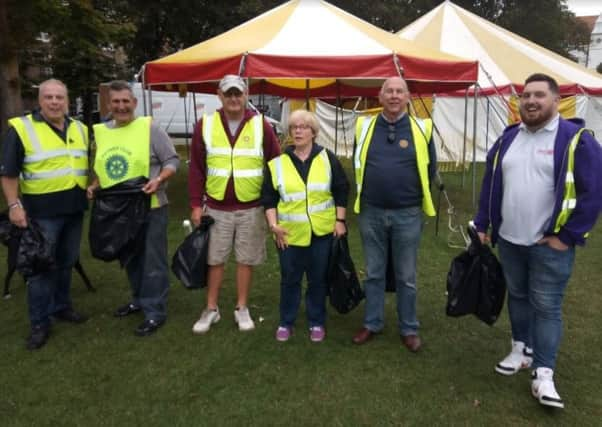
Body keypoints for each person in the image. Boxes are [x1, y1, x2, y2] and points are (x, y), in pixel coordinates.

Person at [473, 73, 601, 409]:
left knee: (546, 306)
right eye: (526, 95)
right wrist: (484, 223)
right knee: (517, 296)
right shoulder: (508, 138)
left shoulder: (577, 139)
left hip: (549, 245)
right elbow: (491, 183)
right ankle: (521, 349)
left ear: (557, 101)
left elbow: (593, 193)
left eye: (539, 95)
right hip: (510, 240)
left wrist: (568, 236)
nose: (530, 101)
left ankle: (544, 373)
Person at [0, 79, 89, 350]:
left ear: (67, 100)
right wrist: (14, 206)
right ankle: (39, 322)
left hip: (74, 209)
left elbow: (81, 164)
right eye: (48, 97)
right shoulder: (21, 129)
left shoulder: (80, 128)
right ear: (39, 101)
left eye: (59, 97)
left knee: (66, 261)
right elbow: (8, 172)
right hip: (42, 213)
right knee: (40, 268)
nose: (54, 102)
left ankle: (61, 306)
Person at [188, 74, 280, 334]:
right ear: (219, 95)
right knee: (214, 258)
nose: (233, 99)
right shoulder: (205, 124)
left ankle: (241, 307)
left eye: (238, 93)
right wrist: (196, 204)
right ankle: (211, 308)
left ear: (246, 94)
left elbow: (276, 164)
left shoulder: (261, 124)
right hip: (216, 206)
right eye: (228, 94)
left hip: (251, 207)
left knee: (245, 258)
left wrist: (272, 202)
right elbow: (196, 168)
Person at [87, 80, 179, 337]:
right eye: (116, 102)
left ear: (134, 103)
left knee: (152, 258)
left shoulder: (150, 129)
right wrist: (95, 185)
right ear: (109, 104)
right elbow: (104, 167)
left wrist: (159, 179)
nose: (121, 106)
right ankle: (139, 299)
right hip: (119, 209)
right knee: (130, 257)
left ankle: (155, 311)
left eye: (126, 101)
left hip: (151, 205)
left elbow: (172, 160)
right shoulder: (103, 132)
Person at [351, 76, 437, 352]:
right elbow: (357, 161)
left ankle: (409, 328)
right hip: (371, 210)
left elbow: (431, 166)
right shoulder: (363, 126)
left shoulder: (422, 128)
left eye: (400, 91)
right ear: (380, 95)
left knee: (406, 275)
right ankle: (372, 322)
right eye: (389, 91)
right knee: (374, 272)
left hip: (408, 213)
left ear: (408, 97)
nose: (394, 95)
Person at [262, 110, 349, 342]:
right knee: (290, 279)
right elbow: (268, 198)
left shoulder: (328, 158)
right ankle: (286, 321)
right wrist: (273, 226)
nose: (298, 131)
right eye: (294, 128)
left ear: (313, 132)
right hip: (288, 234)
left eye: (303, 127)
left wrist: (340, 220)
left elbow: (342, 189)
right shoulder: (277, 164)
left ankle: (316, 321)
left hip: (321, 232)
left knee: (318, 279)